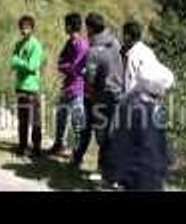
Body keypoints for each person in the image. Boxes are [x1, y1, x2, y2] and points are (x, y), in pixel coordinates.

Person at [110, 21, 175, 191]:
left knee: (127, 142)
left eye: (123, 35)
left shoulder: (132, 56)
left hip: (133, 103)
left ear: (128, 36)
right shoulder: (147, 51)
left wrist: (123, 104)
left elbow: (131, 84)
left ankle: (122, 178)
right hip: (155, 177)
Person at [71, 13, 124, 187]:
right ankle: (104, 170)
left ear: (91, 28)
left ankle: (89, 165)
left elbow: (91, 81)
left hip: (101, 98)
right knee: (109, 135)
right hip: (117, 95)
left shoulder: (94, 51)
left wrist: (91, 98)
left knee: (95, 133)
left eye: (87, 28)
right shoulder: (115, 43)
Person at [49, 12, 89, 158]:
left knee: (77, 121)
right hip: (67, 86)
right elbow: (61, 61)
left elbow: (75, 68)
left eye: (66, 24)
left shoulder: (81, 45)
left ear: (71, 26)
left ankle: (77, 153)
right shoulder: (69, 42)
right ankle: (59, 145)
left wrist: (66, 66)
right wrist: (66, 66)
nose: (64, 27)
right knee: (61, 117)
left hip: (78, 87)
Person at [10, 15, 44, 158]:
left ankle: (36, 148)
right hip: (20, 86)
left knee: (35, 120)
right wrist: (19, 62)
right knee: (22, 119)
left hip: (32, 87)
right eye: (22, 27)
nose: (24, 30)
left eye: (27, 27)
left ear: (32, 28)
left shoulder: (36, 45)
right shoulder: (19, 44)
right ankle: (22, 146)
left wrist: (19, 62)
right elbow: (12, 62)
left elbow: (32, 66)